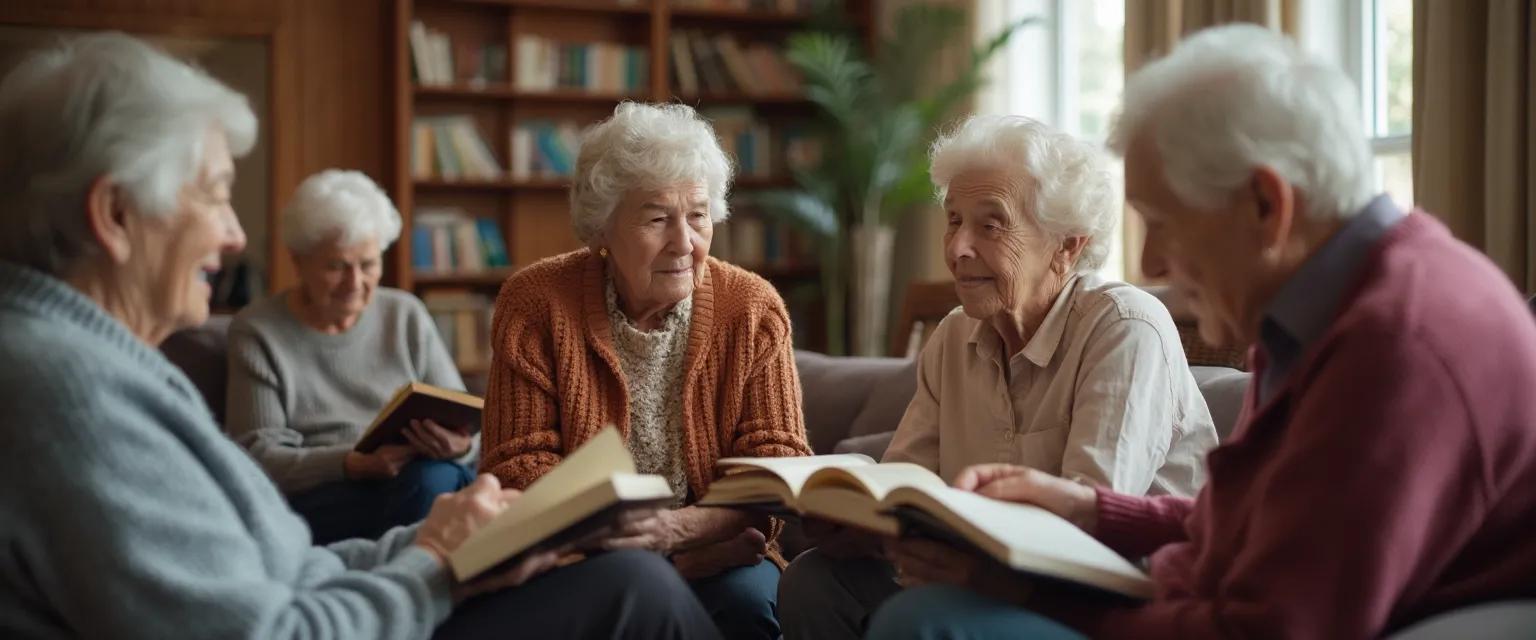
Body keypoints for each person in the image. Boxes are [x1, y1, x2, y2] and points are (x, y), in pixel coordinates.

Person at [0, 32, 718, 639]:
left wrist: (440, 539)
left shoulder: (95, 363)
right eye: (216, 194)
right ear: (115, 216)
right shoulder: (67, 393)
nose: (235, 235)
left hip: (360, 578)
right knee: (636, 588)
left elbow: (286, 568)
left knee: (607, 568)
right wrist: (435, 567)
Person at [867, 24, 1536, 640]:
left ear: (1266, 205)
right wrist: (1090, 510)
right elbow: (1255, 525)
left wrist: (1022, 593)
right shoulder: (1321, 317)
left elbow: (1271, 628)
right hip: (1194, 597)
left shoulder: (1395, 346)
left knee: (927, 622)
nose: (1152, 261)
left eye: (1164, 222)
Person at [778, 115, 1218, 640]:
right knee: (816, 581)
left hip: (1105, 602)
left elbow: (1089, 529)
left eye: (990, 225)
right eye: (953, 220)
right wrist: (862, 526)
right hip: (980, 575)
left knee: (919, 616)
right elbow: (905, 484)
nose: (957, 248)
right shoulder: (953, 336)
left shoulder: (1124, 328)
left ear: (1067, 246)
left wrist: (974, 570)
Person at [481, 101, 814, 640]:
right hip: (583, 552)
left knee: (747, 607)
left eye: (698, 216)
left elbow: (777, 464)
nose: (684, 243)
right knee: (620, 593)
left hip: (719, 546)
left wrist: (679, 530)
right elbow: (516, 464)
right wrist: (648, 548)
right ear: (602, 228)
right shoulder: (536, 303)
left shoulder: (753, 308)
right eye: (658, 219)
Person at [227, 169, 476, 544]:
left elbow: (468, 422)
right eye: (336, 266)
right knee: (439, 487)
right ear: (298, 261)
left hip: (417, 475)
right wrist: (350, 463)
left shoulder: (405, 314)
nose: (355, 283)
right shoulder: (258, 331)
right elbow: (256, 455)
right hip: (327, 493)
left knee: (439, 477)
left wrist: (461, 446)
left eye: (368, 264)